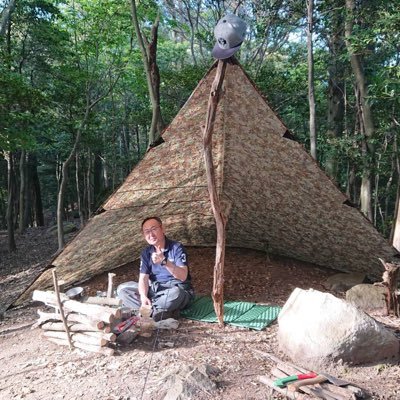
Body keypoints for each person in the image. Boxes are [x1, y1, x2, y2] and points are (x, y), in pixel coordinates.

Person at [117, 216, 194, 321]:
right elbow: (143, 278)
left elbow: (183, 276)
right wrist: (143, 296)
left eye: (154, 229)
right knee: (123, 290)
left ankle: (146, 312)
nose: (151, 234)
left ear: (162, 229)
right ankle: (157, 311)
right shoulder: (146, 253)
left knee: (176, 294)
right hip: (155, 290)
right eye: (147, 231)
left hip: (174, 289)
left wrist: (165, 261)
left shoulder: (176, 248)